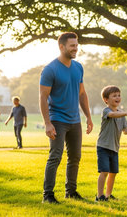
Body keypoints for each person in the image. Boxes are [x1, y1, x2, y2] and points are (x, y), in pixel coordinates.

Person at [39, 32, 93, 204]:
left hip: (75, 120)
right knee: (55, 156)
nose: (75, 48)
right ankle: (47, 195)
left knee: (75, 157)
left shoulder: (78, 67)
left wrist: (89, 118)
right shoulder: (50, 69)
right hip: (57, 119)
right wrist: (47, 123)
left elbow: (82, 94)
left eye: (76, 45)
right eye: (72, 46)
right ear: (61, 47)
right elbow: (42, 96)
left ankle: (71, 191)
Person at [96, 86, 127, 202]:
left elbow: (124, 130)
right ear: (106, 100)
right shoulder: (106, 111)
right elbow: (112, 115)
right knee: (104, 171)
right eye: (114, 96)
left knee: (113, 173)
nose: (117, 97)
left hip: (114, 148)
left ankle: (108, 195)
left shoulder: (121, 114)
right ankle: (99, 196)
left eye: (119, 95)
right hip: (103, 146)